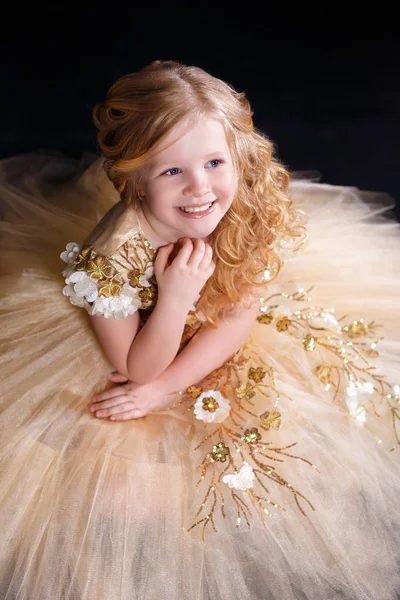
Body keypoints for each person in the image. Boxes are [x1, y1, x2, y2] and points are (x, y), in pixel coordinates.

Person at [0, 59, 399, 600]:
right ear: (135, 179)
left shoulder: (239, 207)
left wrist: (169, 385)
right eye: (171, 171)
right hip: (142, 340)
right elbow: (136, 368)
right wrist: (175, 300)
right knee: (121, 491)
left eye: (215, 162)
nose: (200, 189)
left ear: (238, 156)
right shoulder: (110, 256)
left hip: (188, 340)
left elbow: (238, 314)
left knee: (326, 431)